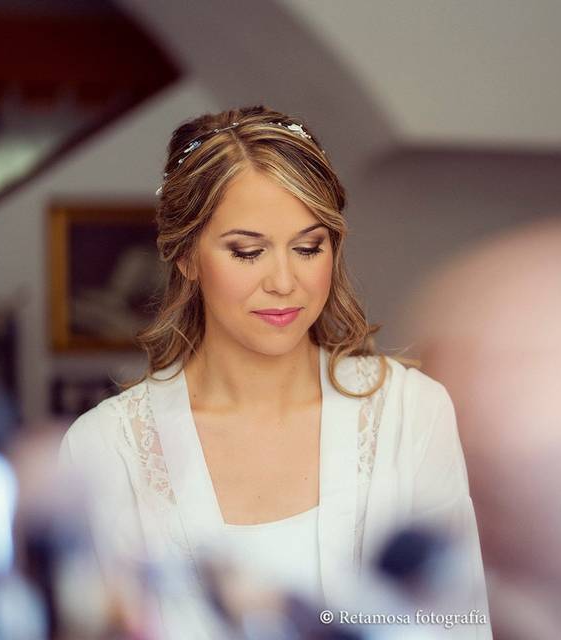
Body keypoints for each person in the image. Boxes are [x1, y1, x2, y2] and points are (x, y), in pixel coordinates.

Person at [57, 106, 492, 639]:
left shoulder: (411, 411)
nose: (284, 281)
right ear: (188, 257)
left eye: (308, 248)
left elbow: (459, 624)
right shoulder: (105, 448)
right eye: (247, 251)